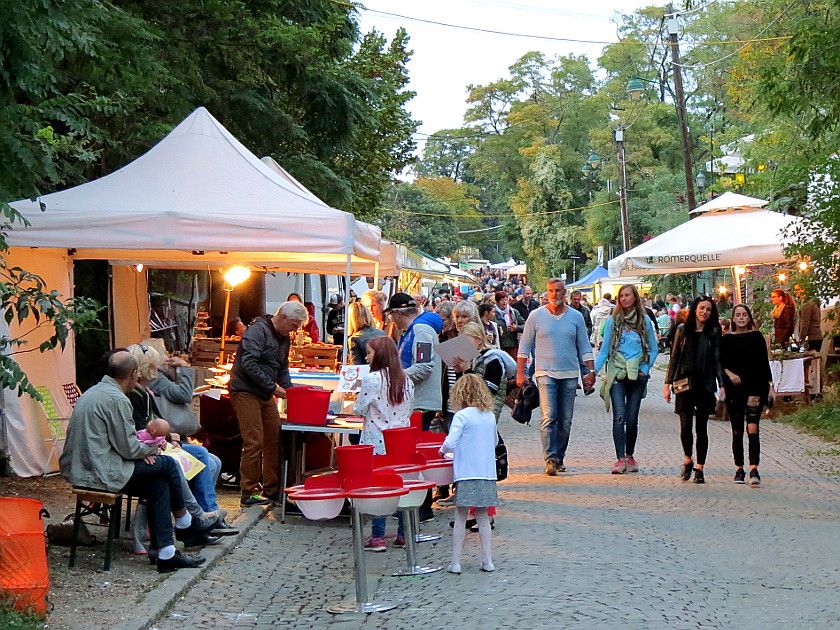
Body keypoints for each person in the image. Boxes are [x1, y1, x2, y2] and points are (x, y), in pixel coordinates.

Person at [59, 351, 206, 573]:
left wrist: (142, 451)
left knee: (159, 484)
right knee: (168, 465)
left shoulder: (94, 392)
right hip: (100, 472)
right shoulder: (117, 399)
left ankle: (166, 553)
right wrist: (153, 448)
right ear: (133, 374)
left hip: (83, 468)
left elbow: (123, 445)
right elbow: (128, 447)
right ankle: (185, 524)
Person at [229, 301, 308, 506]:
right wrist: (273, 388)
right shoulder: (257, 331)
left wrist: (291, 392)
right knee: (254, 440)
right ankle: (249, 491)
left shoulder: (284, 337)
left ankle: (272, 490)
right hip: (245, 390)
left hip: (264, 392)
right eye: (293, 325)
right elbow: (248, 363)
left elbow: (282, 368)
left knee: (273, 438)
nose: (295, 330)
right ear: (281, 317)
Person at [517, 279, 595, 476]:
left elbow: (584, 347)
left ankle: (559, 456)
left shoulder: (576, 317)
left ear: (565, 293)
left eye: (558, 290)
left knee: (565, 419)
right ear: (546, 293)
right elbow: (524, 347)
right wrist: (521, 373)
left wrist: (590, 371)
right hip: (545, 373)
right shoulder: (536, 316)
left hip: (569, 374)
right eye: (551, 291)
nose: (554, 294)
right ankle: (550, 458)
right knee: (548, 416)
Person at [386, 292, 444, 522]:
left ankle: (422, 506)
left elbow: (424, 366)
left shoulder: (420, 332)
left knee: (416, 456)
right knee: (415, 454)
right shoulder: (413, 331)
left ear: (398, 314)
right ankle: (420, 504)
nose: (391, 320)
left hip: (421, 401)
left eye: (391, 315)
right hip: (416, 400)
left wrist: (394, 376)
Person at [355, 336, 414, 551]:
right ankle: (403, 533)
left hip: (377, 439)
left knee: (380, 486)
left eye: (369, 353)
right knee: (399, 484)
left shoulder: (372, 380)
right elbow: (409, 409)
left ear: (378, 355)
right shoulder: (406, 379)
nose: (366, 357)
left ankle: (378, 537)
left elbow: (359, 408)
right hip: (400, 440)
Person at [594, 285, 659, 474]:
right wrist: (593, 372)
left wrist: (645, 369)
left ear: (635, 297)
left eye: (627, 295)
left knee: (631, 419)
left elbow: (653, 349)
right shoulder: (613, 321)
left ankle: (630, 455)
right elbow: (604, 350)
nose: (623, 299)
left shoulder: (644, 321)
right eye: (620, 296)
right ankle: (619, 458)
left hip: (637, 375)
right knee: (619, 417)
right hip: (616, 373)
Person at [440, 374, 499, 574]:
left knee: (460, 516)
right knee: (483, 517)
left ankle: (456, 562)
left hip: (466, 472)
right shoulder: (489, 416)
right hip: (486, 473)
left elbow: (450, 442)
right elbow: (494, 442)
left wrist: (442, 451)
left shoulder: (462, 416)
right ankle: (487, 560)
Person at [664, 296, 724, 484]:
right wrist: (667, 384)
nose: (704, 311)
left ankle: (700, 467)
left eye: (708, 309)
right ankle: (688, 459)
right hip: (684, 382)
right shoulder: (683, 330)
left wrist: (722, 385)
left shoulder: (714, 331)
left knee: (702, 428)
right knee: (685, 426)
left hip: (705, 383)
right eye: (701, 308)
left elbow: (717, 359)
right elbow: (674, 358)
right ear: (694, 309)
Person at [721, 304, 772, 486]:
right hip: (735, 389)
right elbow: (721, 363)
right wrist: (730, 375)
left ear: (749, 318)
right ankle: (739, 468)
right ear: (733, 319)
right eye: (738, 315)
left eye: (744, 315)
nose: (741, 318)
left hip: (755, 388)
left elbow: (764, 363)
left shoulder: (757, 337)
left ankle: (754, 468)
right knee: (737, 430)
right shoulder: (726, 339)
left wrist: (769, 386)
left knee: (753, 428)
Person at [494, 291, 525, 358]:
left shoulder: (513, 312)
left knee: (513, 366)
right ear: (497, 301)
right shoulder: (492, 313)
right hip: (498, 345)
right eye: (502, 300)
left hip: (512, 344)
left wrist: (517, 328)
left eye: (506, 300)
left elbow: (525, 325)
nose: (504, 302)